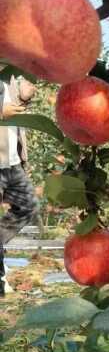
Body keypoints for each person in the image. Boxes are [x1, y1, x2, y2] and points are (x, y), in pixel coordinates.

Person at [0, 75, 38, 297]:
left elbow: (16, 111)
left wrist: (25, 98)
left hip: (11, 161)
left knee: (28, 207)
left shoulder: (12, 72)